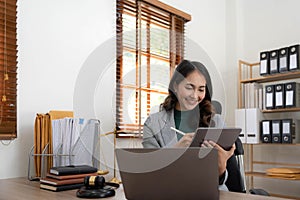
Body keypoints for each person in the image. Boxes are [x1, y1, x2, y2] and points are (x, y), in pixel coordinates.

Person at [142, 59, 243, 192]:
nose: (195, 95)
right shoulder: (152, 124)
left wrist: (221, 167)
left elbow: (224, 181)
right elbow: (149, 172)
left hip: (210, 193)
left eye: (201, 89)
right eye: (189, 87)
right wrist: (174, 151)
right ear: (176, 86)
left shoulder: (216, 122)